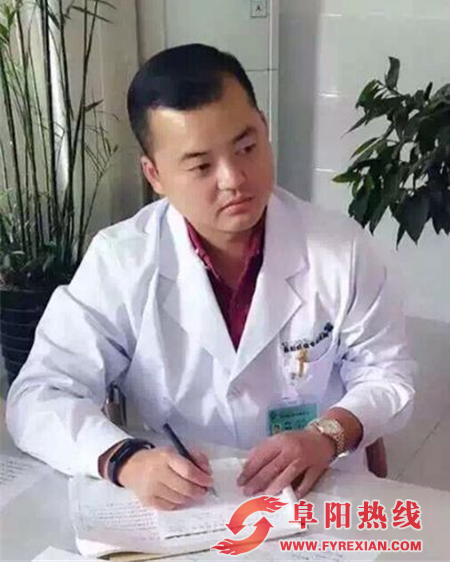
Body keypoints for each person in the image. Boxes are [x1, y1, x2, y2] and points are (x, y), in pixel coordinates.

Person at [6, 44, 415, 511]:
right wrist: (124, 460)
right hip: (189, 506)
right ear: (155, 175)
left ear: (264, 127)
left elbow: (389, 375)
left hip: (319, 495)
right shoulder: (121, 261)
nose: (234, 179)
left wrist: (328, 434)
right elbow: (38, 396)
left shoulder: (340, 248)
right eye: (201, 165)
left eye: (247, 147)